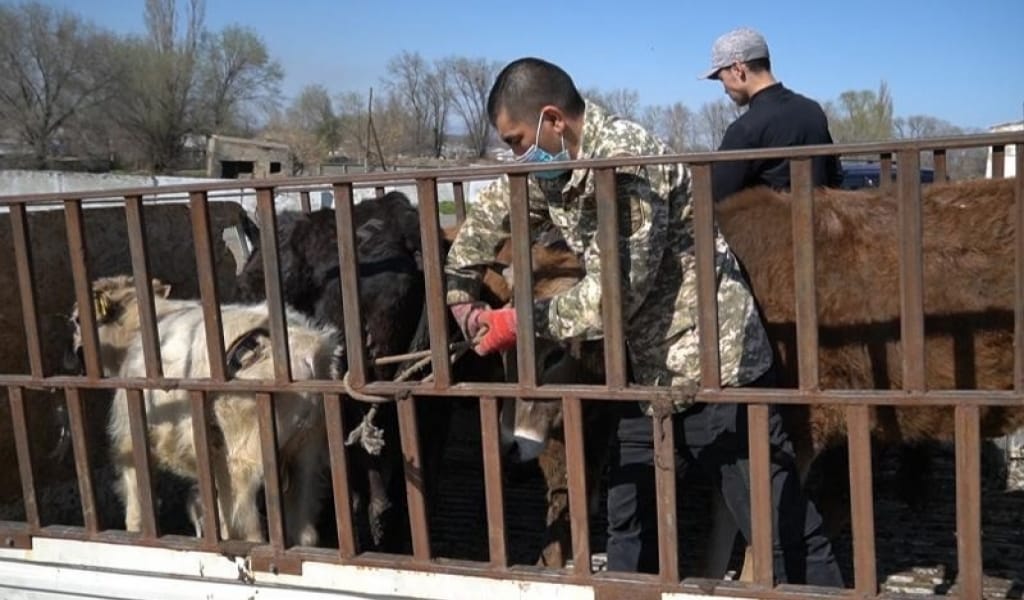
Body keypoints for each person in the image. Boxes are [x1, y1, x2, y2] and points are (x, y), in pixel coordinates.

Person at [444, 57, 842, 586]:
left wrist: (517, 323)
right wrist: (460, 291)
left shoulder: (629, 163)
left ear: (552, 120)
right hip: (648, 371)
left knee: (777, 523)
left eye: (518, 141)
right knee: (629, 519)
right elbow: (494, 211)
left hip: (714, 364)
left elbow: (614, 297)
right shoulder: (556, 166)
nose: (519, 157)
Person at [702, 27, 844, 203]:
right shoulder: (813, 111)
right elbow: (835, 176)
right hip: (823, 219)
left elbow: (714, 198)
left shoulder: (744, 130)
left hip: (770, 221)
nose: (724, 89)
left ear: (738, 70)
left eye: (722, 79)